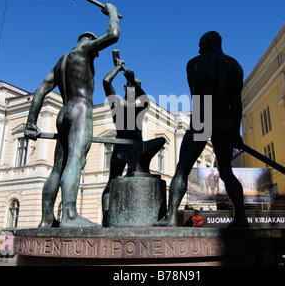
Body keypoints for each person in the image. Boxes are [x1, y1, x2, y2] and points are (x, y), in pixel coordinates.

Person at [24, 3, 120, 228]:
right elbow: (113, 34)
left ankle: (47, 219)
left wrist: (31, 122)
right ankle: (69, 214)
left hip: (63, 112)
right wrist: (112, 12)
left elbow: (40, 91)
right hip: (80, 109)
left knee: (58, 166)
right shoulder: (86, 52)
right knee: (76, 160)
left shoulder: (60, 63)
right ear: (92, 46)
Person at [155, 31, 248, 228]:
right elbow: (236, 103)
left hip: (202, 117)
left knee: (183, 167)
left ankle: (171, 217)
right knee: (226, 171)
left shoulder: (193, 64)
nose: (198, 49)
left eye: (200, 44)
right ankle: (241, 217)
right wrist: (236, 132)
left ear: (208, 42)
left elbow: (196, 97)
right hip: (224, 120)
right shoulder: (235, 66)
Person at [101, 63, 150, 226]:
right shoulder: (122, 106)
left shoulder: (136, 107)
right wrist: (120, 67)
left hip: (127, 147)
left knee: (122, 182)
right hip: (127, 147)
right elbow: (106, 82)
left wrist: (126, 76)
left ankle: (114, 218)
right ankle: (107, 217)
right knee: (114, 182)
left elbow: (107, 81)